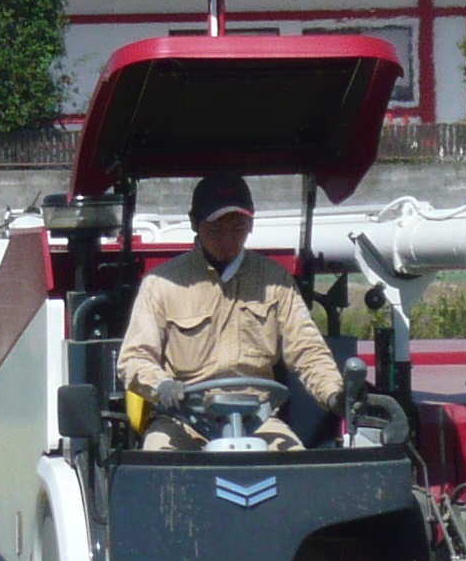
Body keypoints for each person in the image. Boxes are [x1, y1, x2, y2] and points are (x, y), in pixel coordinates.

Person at [118, 170, 348, 450]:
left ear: (251, 223)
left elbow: (308, 350)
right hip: (183, 421)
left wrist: (336, 394)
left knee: (296, 467)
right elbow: (134, 358)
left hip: (258, 421)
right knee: (159, 463)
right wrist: (162, 385)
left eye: (238, 228)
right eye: (216, 229)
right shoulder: (161, 284)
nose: (227, 240)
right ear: (194, 223)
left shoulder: (275, 280)